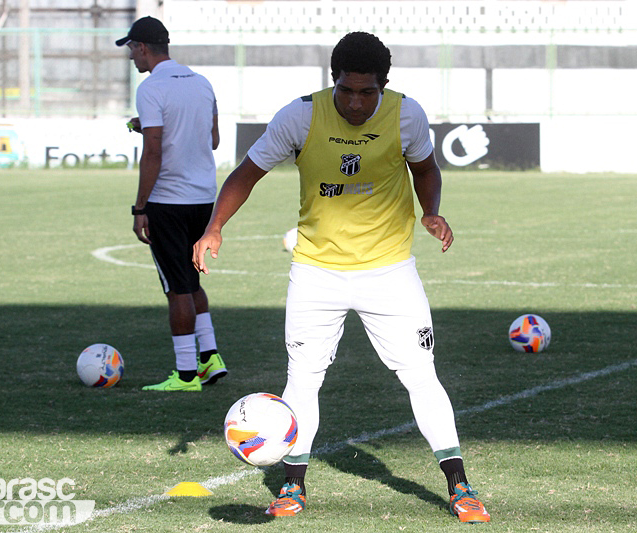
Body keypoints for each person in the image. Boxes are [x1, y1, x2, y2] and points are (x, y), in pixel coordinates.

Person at [193, 32, 490, 523]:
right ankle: (292, 485)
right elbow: (246, 173)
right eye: (346, 91)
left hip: (391, 272)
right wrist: (214, 227)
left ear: (383, 86)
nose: (355, 102)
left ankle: (460, 486)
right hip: (316, 273)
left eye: (367, 92)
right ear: (333, 82)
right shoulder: (301, 116)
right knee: (303, 380)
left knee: (421, 376)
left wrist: (431, 210)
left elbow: (426, 168)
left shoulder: (406, 115)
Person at [116, 16, 227, 391]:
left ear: (143, 48)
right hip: (203, 198)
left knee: (176, 287)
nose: (132, 57)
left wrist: (140, 207)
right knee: (191, 280)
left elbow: (154, 152)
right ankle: (210, 358)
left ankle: (184, 375)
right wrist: (144, 124)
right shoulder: (201, 82)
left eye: (131, 49)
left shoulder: (151, 88)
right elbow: (211, 138)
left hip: (168, 200)